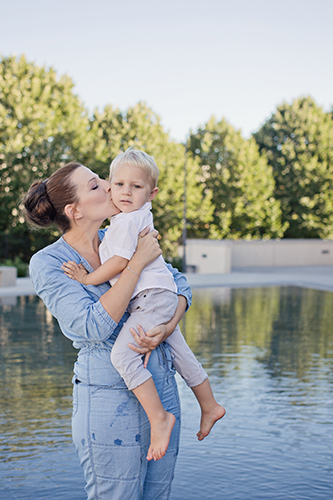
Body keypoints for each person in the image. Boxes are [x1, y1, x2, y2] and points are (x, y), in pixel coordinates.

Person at [23, 161, 189, 499]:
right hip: (108, 400)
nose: (109, 185)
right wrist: (137, 263)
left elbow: (179, 284)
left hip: (163, 391)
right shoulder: (49, 263)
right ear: (75, 210)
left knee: (159, 494)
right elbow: (92, 327)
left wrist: (169, 324)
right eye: (96, 185)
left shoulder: (120, 232)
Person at [61, 148, 224, 462]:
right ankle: (209, 405)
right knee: (181, 354)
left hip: (149, 300)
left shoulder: (124, 223)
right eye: (119, 184)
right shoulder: (133, 217)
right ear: (110, 185)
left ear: (152, 193)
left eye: (135, 187)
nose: (125, 192)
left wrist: (88, 278)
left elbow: (122, 262)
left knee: (122, 356)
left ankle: (158, 418)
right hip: (157, 298)